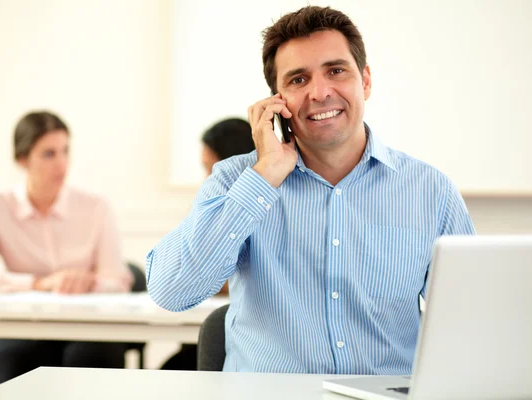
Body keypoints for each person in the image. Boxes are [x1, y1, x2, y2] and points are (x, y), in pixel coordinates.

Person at [146, 6, 475, 375]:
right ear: (276, 101)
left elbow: (471, 323)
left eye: (336, 71)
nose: (319, 93)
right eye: (298, 80)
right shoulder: (235, 180)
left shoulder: (430, 191)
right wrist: (264, 175)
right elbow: (171, 292)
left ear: (364, 81)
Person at [0, 111, 133, 386]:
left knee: (92, 360)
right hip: (26, 325)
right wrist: (38, 283)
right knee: (14, 360)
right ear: (23, 160)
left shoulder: (96, 206)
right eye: (49, 154)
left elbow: (119, 280)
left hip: (88, 326)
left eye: (65, 151)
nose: (61, 164)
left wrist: (89, 281)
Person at [161, 117, 255, 371]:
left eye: (209, 168)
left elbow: (216, 278)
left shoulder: (260, 206)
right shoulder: (208, 206)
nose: (207, 179)